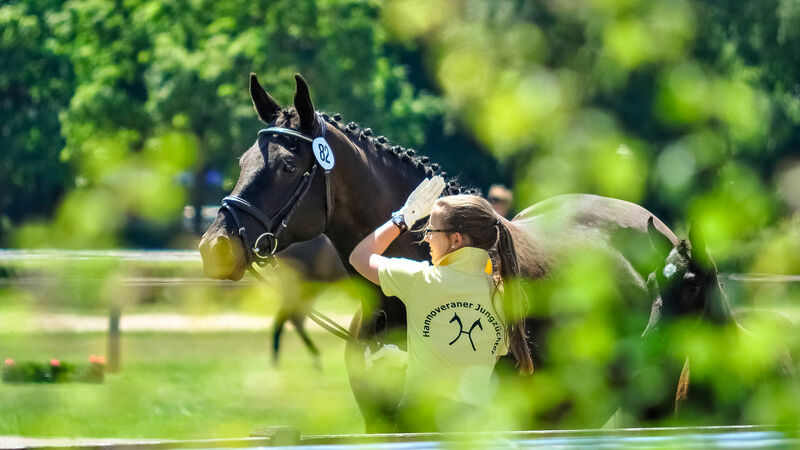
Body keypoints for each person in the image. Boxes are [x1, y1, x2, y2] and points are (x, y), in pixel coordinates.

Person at [349, 176, 534, 432]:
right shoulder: (502, 294)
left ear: (456, 240)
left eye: (431, 231)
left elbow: (359, 257)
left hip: (422, 424)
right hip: (475, 431)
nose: (426, 239)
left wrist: (403, 218)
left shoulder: (421, 279)